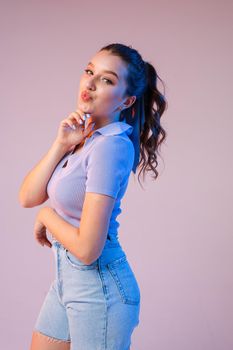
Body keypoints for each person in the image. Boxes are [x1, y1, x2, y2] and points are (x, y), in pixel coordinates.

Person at [19, 42, 167, 350]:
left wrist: (47, 217)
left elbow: (88, 249)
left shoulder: (111, 146)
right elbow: (27, 196)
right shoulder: (86, 139)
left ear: (126, 100)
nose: (90, 82)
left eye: (107, 79)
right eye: (90, 71)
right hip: (66, 281)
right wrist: (61, 144)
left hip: (100, 288)